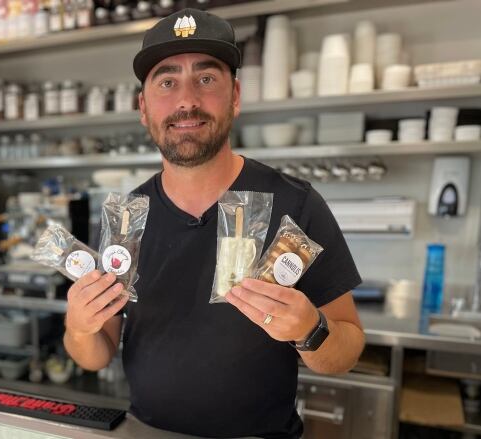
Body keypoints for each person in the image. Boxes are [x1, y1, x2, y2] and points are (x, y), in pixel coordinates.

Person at [63, 8, 365, 439]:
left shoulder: (295, 204)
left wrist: (309, 330)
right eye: (167, 82)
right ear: (143, 107)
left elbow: (348, 348)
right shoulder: (126, 216)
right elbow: (96, 353)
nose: (186, 100)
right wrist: (79, 325)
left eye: (206, 79)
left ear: (236, 96)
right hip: (146, 431)